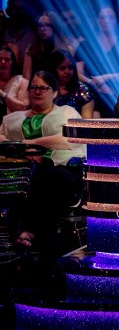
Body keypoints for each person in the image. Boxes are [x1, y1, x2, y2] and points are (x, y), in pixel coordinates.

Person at [0, 70, 85, 252]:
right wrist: (24, 152)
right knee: (22, 177)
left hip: (64, 167)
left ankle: (31, 232)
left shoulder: (66, 112)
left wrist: (31, 143)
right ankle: (13, 233)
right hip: (25, 167)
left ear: (54, 92)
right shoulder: (15, 118)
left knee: (50, 177)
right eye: (34, 87)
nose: (37, 91)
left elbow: (69, 139)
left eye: (43, 88)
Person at [23, 12, 73, 81]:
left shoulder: (65, 49)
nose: (42, 29)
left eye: (46, 25)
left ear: (54, 27)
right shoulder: (31, 49)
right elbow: (26, 78)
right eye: (40, 25)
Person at [50, 49, 96, 119]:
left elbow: (86, 123)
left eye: (70, 68)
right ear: (54, 69)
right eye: (62, 68)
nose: (67, 71)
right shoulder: (48, 88)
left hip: (76, 129)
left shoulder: (83, 90)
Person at [0, 45, 29, 114]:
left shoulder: (22, 82)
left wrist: (3, 95)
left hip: (13, 122)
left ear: (12, 62)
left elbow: (23, 108)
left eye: (7, 59)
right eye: (0, 59)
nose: (3, 62)